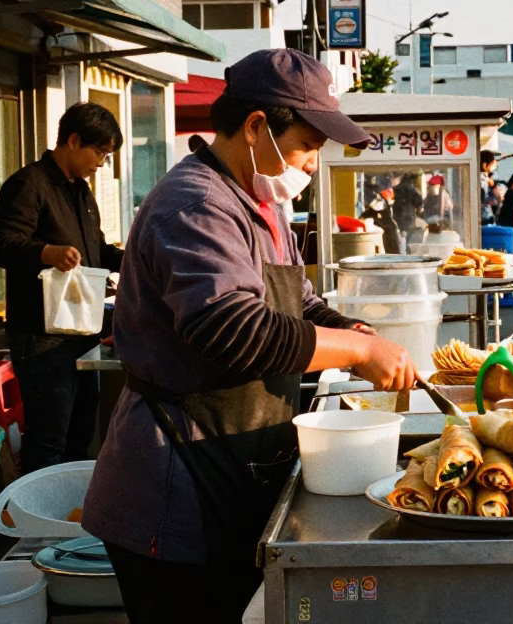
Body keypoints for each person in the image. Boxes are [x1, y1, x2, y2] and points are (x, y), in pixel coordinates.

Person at [82, 50, 417, 622]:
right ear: (258, 125)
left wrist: (353, 332)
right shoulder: (197, 204)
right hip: (175, 479)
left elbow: (298, 302)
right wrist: (359, 350)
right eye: (308, 145)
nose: (313, 164)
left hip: (235, 459)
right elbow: (231, 327)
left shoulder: (263, 202)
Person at [0, 102, 126, 473]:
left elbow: (96, 249)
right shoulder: (28, 184)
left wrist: (136, 259)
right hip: (41, 335)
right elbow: (0, 245)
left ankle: (72, 518)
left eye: (107, 155)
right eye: (99, 152)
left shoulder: (81, 192)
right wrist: (46, 252)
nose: (101, 162)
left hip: (82, 329)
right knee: (49, 436)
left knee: (81, 431)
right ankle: (38, 524)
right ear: (73, 140)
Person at [479, 149, 501, 225]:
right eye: (492, 164)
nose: (494, 167)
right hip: (484, 219)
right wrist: (493, 185)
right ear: (484, 165)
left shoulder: (485, 179)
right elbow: (498, 198)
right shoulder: (483, 180)